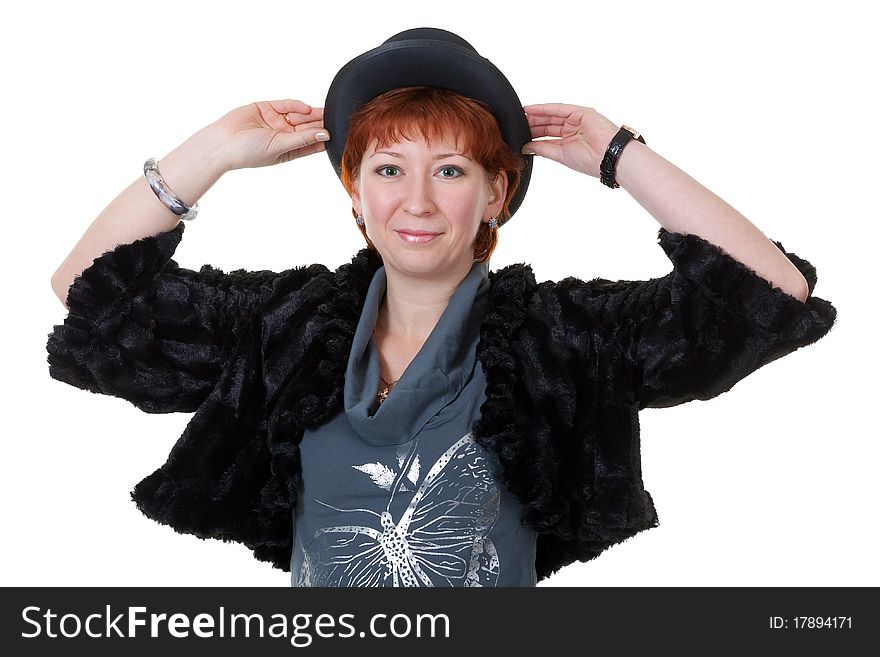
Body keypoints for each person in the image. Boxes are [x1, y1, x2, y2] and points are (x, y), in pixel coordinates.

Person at [47, 28, 837, 587]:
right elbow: (90, 296)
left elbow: (769, 295)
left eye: (451, 170)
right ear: (355, 194)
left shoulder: (563, 339)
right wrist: (214, 150)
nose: (416, 202)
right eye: (388, 169)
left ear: (497, 193)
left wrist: (618, 156)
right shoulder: (285, 326)